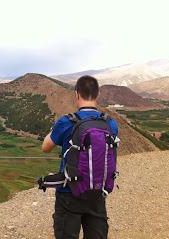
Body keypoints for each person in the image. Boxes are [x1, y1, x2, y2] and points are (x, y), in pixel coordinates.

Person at [41, 75, 118, 239]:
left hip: (69, 192)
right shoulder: (110, 124)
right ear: (97, 95)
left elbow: (45, 147)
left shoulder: (66, 122)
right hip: (97, 191)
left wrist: (55, 130)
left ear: (76, 94)